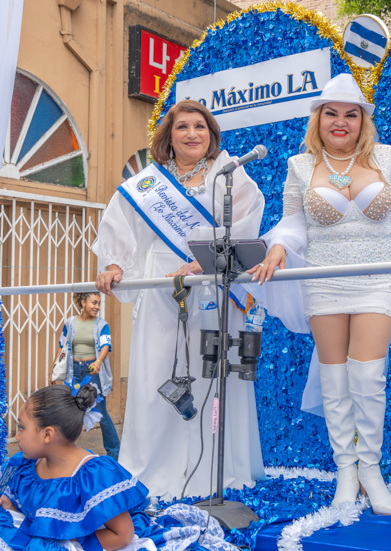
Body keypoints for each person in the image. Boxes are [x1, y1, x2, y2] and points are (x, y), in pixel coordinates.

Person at [249, 74, 391, 515]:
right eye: (331, 113)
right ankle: (346, 471)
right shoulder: (298, 166)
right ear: (319, 119)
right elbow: (293, 222)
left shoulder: (385, 158)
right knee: (335, 382)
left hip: (378, 278)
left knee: (368, 378)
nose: (341, 121)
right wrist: (276, 246)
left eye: (351, 114)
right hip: (324, 280)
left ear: (362, 121)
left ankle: (371, 469)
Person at [93, 100, 265, 499]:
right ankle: (153, 469)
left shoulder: (231, 176)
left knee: (209, 373)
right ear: (168, 137)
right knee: (157, 370)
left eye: (200, 127)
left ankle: (210, 471)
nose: (192, 133)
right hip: (159, 285)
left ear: (212, 135)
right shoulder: (147, 183)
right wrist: (116, 264)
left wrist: (200, 260)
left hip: (208, 282)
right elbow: (120, 226)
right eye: (182, 126)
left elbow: (243, 223)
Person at [0, 384, 240, 551]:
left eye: (22, 427)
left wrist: (74, 546)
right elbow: (31, 509)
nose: (17, 435)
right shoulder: (26, 466)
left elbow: (122, 535)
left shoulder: (93, 476)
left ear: (48, 434)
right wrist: (11, 506)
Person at [52, 292, 120, 460]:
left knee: (100, 411)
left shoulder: (101, 324)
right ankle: (64, 450)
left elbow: (105, 345)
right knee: (70, 409)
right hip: (74, 370)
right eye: (94, 303)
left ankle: (114, 453)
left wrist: (98, 362)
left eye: (99, 303)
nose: (97, 307)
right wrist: (53, 370)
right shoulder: (70, 322)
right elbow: (62, 345)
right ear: (83, 302)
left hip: (91, 370)